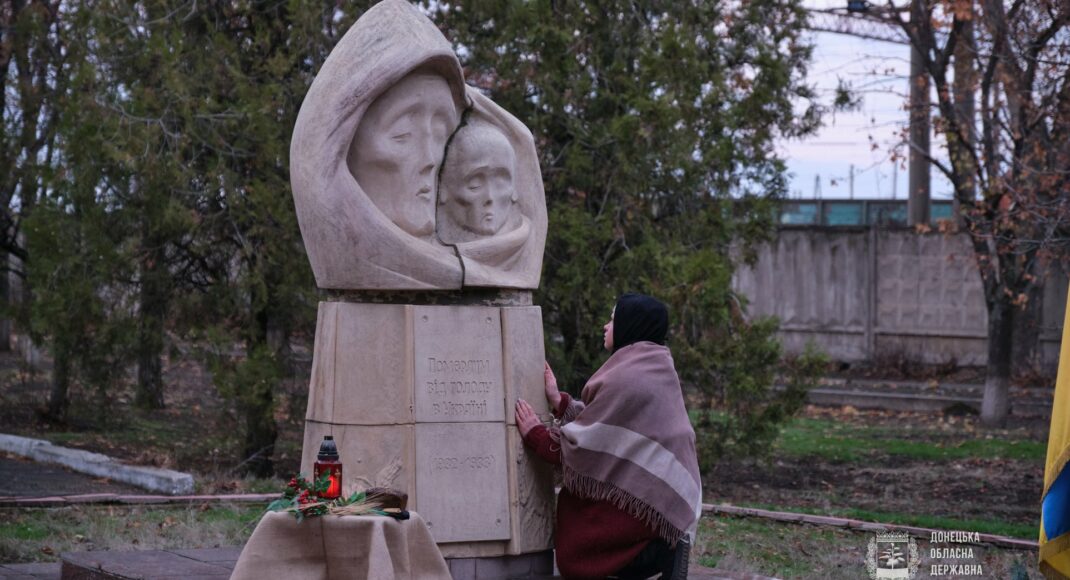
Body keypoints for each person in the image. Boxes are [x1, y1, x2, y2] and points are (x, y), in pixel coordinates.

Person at [515, 293, 702, 579]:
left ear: (631, 326)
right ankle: (661, 550)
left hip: (639, 516)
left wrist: (536, 435)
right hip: (658, 509)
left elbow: (585, 447)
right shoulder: (656, 366)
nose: (606, 326)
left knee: (577, 532)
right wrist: (561, 402)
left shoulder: (628, 377)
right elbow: (609, 429)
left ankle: (647, 554)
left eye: (613, 320)